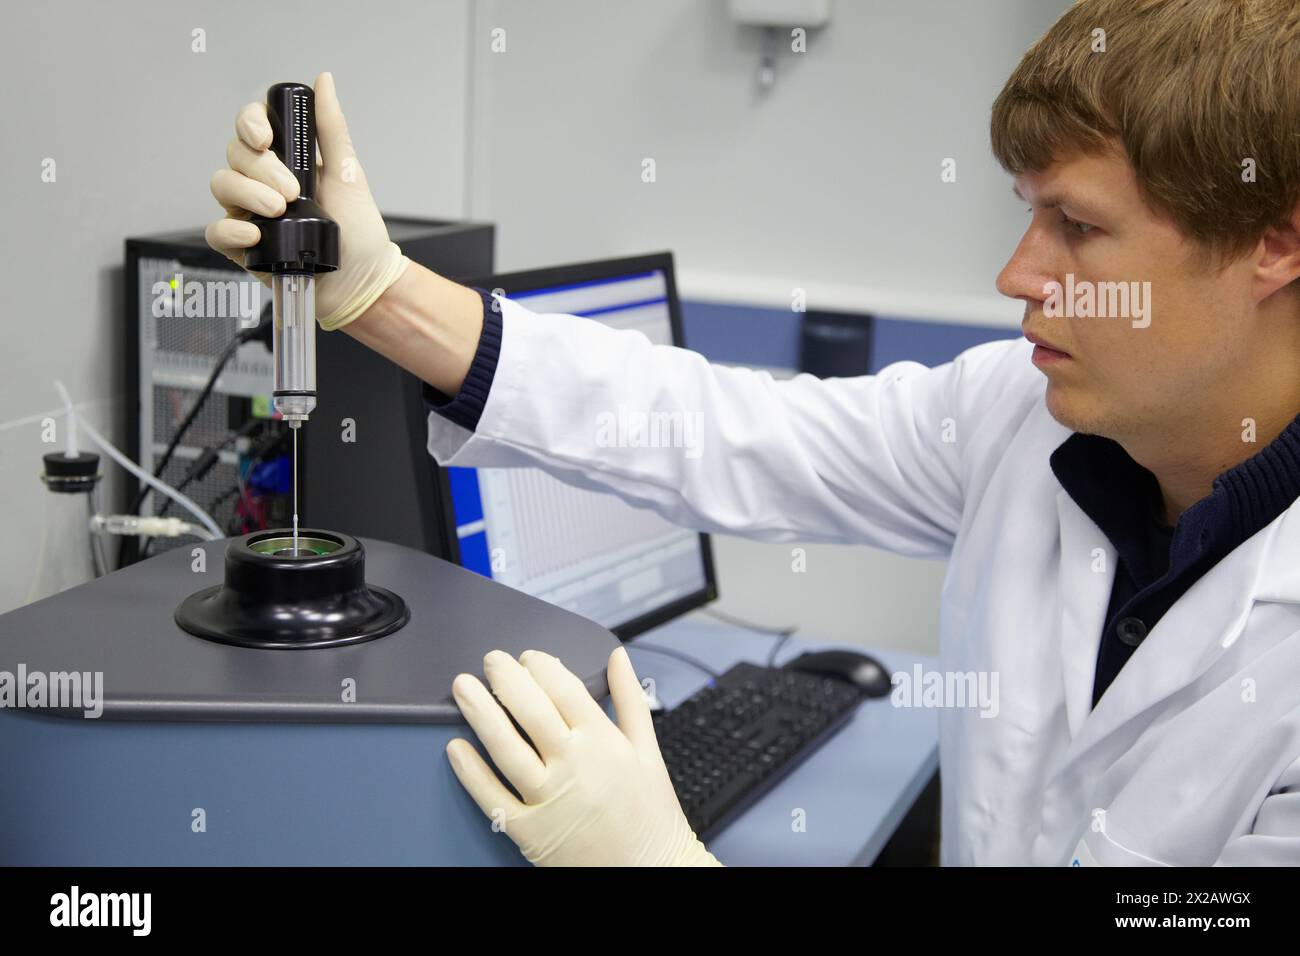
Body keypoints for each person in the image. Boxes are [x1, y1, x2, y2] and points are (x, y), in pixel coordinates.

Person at [207, 0, 1300, 866]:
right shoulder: (1017, 417)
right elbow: (726, 430)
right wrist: (377, 289)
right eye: (1027, 213)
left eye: (1076, 225)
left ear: (1272, 242)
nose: (1017, 274)